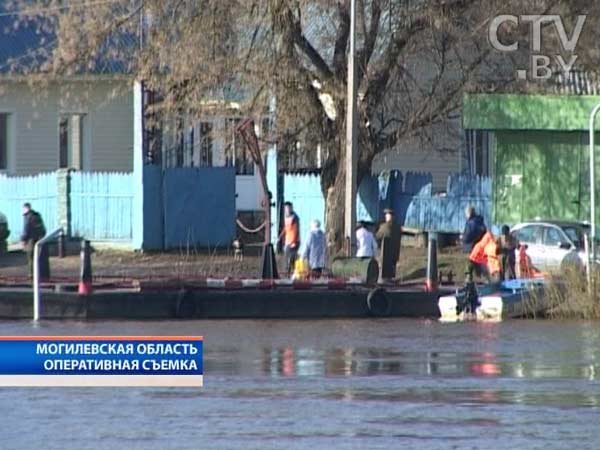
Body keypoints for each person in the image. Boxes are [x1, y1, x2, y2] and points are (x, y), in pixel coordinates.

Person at [20, 203, 46, 276]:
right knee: (37, 256)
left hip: (30, 240)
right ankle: (39, 273)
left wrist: (23, 240)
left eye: (23, 209)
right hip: (38, 238)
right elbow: (42, 228)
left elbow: (26, 229)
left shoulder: (28, 217)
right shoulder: (37, 215)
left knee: (30, 257)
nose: (22, 211)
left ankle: (31, 274)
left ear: (26, 208)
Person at [376, 208, 402, 280]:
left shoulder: (384, 226)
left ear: (388, 216)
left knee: (384, 267)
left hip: (385, 252)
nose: (385, 216)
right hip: (395, 252)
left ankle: (385, 279)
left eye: (386, 215)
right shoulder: (397, 227)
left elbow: (378, 236)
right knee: (392, 266)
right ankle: (391, 278)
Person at [279, 201, 300, 277]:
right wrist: (281, 236)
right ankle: (289, 274)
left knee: (291, 258)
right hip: (288, 241)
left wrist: (294, 241)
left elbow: (296, 230)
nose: (287, 210)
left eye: (288, 208)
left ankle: (292, 273)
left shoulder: (295, 218)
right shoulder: (285, 217)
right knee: (288, 257)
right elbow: (286, 228)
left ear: (291, 208)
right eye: (286, 209)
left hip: (294, 241)